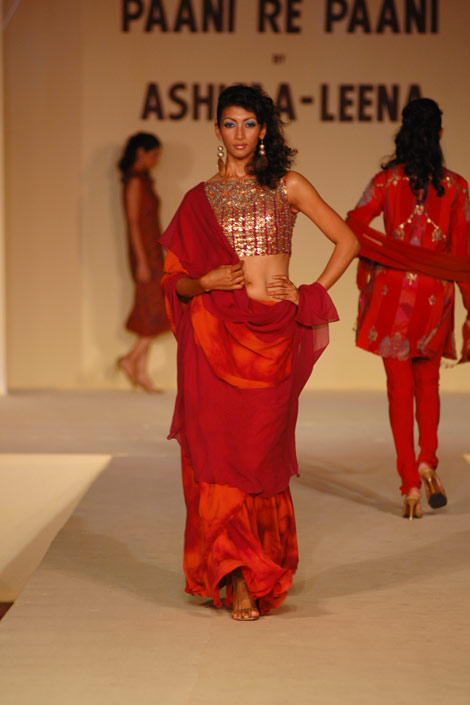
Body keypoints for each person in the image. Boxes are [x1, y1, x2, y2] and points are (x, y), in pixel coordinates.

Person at [160, 84, 358, 621]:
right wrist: (203, 282)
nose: (240, 134)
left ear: (264, 129)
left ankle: (257, 563)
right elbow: (173, 282)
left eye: (249, 123)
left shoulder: (288, 185)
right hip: (212, 337)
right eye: (230, 123)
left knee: (259, 458)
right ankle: (237, 575)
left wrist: (309, 292)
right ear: (217, 130)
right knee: (218, 457)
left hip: (272, 340)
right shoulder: (198, 199)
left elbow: (348, 240)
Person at [346, 98, 470, 520]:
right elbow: (462, 258)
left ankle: (410, 487)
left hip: (392, 295)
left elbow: (354, 225)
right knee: (428, 384)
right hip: (434, 297)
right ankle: (427, 461)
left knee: (399, 392)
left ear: (402, 132)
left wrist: (380, 257)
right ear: (440, 134)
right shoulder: (457, 187)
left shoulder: (386, 182)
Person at [116, 132, 170, 392]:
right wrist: (140, 260)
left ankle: (140, 370)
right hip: (144, 254)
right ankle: (130, 359)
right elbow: (133, 222)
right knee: (156, 306)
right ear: (141, 153)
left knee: (150, 308)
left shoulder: (143, 180)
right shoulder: (135, 181)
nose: (156, 160)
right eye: (154, 154)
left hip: (152, 252)